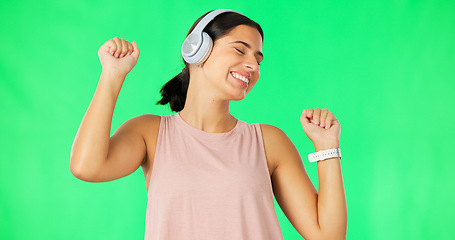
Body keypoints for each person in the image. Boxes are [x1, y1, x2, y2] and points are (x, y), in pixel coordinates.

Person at [70, 9, 347, 240]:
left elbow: (328, 235)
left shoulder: (269, 141)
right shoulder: (149, 133)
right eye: (240, 50)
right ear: (197, 49)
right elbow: (87, 167)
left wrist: (327, 147)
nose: (252, 65)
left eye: (258, 59)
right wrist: (112, 75)